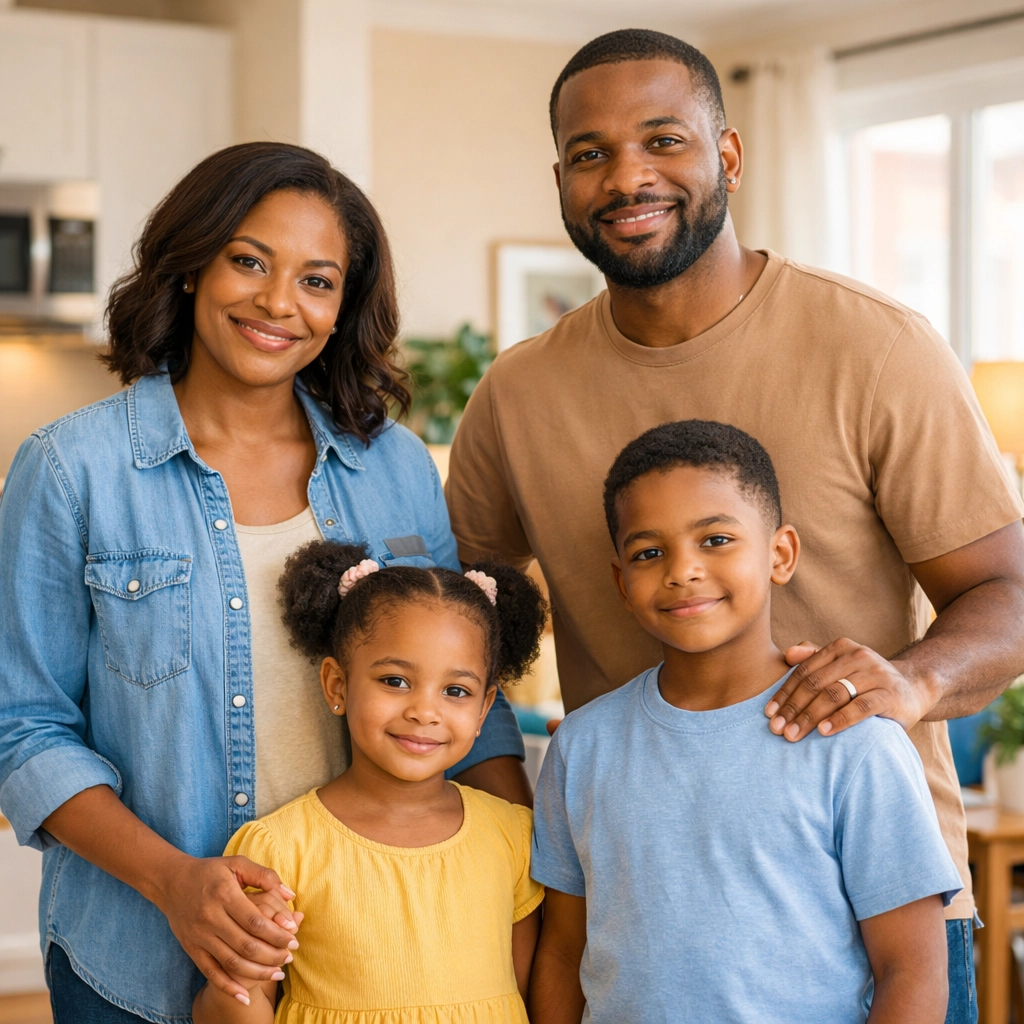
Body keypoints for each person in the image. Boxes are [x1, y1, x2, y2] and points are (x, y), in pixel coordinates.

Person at [445, 30, 1024, 1019]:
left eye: (662, 140)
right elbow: (460, 623)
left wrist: (913, 680)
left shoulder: (875, 347)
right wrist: (511, 800)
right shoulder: (515, 393)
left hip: (874, 916)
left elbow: (1007, 589)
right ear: (560, 181)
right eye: (590, 154)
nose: (626, 176)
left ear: (728, 155)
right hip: (640, 926)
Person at [0, 142, 529, 1024]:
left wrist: (531, 870)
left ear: (343, 307)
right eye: (250, 261)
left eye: (318, 281)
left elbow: (472, 687)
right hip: (135, 958)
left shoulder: (392, 465)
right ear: (192, 265)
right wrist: (176, 884)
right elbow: (25, 732)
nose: (280, 302)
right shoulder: (69, 471)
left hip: (372, 963)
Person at [529, 420, 962, 1024]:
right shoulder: (582, 747)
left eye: (716, 540)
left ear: (780, 554)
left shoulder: (855, 741)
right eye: (649, 553)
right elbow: (562, 952)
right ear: (621, 584)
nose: (683, 571)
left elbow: (912, 971)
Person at [192, 545, 546, 1023]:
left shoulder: (512, 837)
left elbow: (523, 997)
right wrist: (248, 977)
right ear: (338, 685)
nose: (424, 711)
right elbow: (232, 1010)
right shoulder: (278, 850)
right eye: (396, 681)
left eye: (456, 691)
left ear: (484, 709)